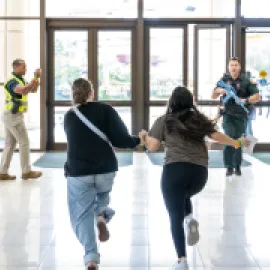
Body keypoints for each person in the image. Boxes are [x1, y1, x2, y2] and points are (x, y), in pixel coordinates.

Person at [139, 86, 249, 270]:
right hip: (199, 175)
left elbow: (152, 147)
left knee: (175, 215)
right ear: (191, 102)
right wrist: (236, 143)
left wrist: (143, 137)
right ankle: (189, 219)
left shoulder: (164, 120)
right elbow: (216, 135)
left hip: (174, 171)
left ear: (172, 102)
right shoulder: (199, 119)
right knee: (184, 194)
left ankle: (181, 260)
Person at [64, 78, 143, 270]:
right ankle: (101, 215)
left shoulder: (69, 116)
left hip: (79, 171)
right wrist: (137, 140)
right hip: (106, 169)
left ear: (73, 94)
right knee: (102, 194)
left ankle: (91, 257)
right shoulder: (105, 110)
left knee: (82, 215)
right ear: (92, 92)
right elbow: (121, 139)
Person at [211, 57, 260, 177]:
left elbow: (257, 96)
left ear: (239, 67)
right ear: (229, 67)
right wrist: (220, 90)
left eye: (235, 65)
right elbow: (213, 95)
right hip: (227, 115)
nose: (233, 67)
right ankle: (229, 166)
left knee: (238, 139)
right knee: (229, 137)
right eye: (231, 65)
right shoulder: (224, 80)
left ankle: (237, 165)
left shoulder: (246, 81)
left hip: (241, 116)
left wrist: (245, 100)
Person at [0, 59, 42, 180]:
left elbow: (32, 89)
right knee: (24, 142)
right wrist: (34, 77)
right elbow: (23, 90)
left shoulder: (21, 79)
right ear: (16, 67)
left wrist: (36, 78)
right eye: (24, 67)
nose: (26, 69)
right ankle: (26, 171)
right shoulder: (12, 81)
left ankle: (2, 172)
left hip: (12, 115)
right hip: (13, 116)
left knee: (10, 144)